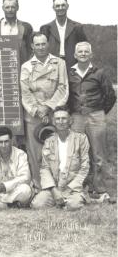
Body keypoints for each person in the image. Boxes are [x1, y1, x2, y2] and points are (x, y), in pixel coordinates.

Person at [68, 41, 116, 199]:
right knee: (77, 153)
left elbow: (110, 96)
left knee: (98, 154)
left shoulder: (99, 73)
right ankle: (79, 187)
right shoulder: (70, 73)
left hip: (96, 116)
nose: (83, 54)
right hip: (76, 117)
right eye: (80, 52)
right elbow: (67, 96)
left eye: (86, 52)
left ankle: (99, 188)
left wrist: (100, 112)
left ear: (91, 54)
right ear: (75, 55)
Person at [20, 32, 68, 189]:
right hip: (34, 116)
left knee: (56, 152)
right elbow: (25, 93)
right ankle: (39, 187)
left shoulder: (59, 63)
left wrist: (48, 107)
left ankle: (59, 186)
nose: (41, 47)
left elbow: (63, 88)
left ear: (48, 44)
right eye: (37, 44)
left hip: (54, 115)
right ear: (32, 47)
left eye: (43, 44)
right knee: (35, 155)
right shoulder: (26, 67)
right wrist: (38, 110)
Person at [31, 107, 90, 210]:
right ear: (53, 122)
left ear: (70, 121)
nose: (61, 122)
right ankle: (60, 200)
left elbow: (85, 167)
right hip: (55, 187)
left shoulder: (81, 139)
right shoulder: (49, 141)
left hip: (73, 188)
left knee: (73, 205)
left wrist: (70, 188)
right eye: (57, 119)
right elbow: (45, 168)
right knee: (37, 204)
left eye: (64, 118)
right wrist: (54, 190)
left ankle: (74, 199)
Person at [40, 0, 87, 69]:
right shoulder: (46, 28)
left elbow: (85, 47)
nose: (60, 8)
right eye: (57, 6)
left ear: (67, 6)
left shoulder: (77, 27)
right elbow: (41, 49)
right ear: (53, 8)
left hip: (73, 65)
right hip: (52, 66)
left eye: (63, 5)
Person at [0, 0, 33, 64]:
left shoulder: (26, 27)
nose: (10, 10)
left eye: (13, 7)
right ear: (3, 8)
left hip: (21, 68)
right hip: (1, 67)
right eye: (7, 7)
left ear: (17, 7)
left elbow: (31, 50)